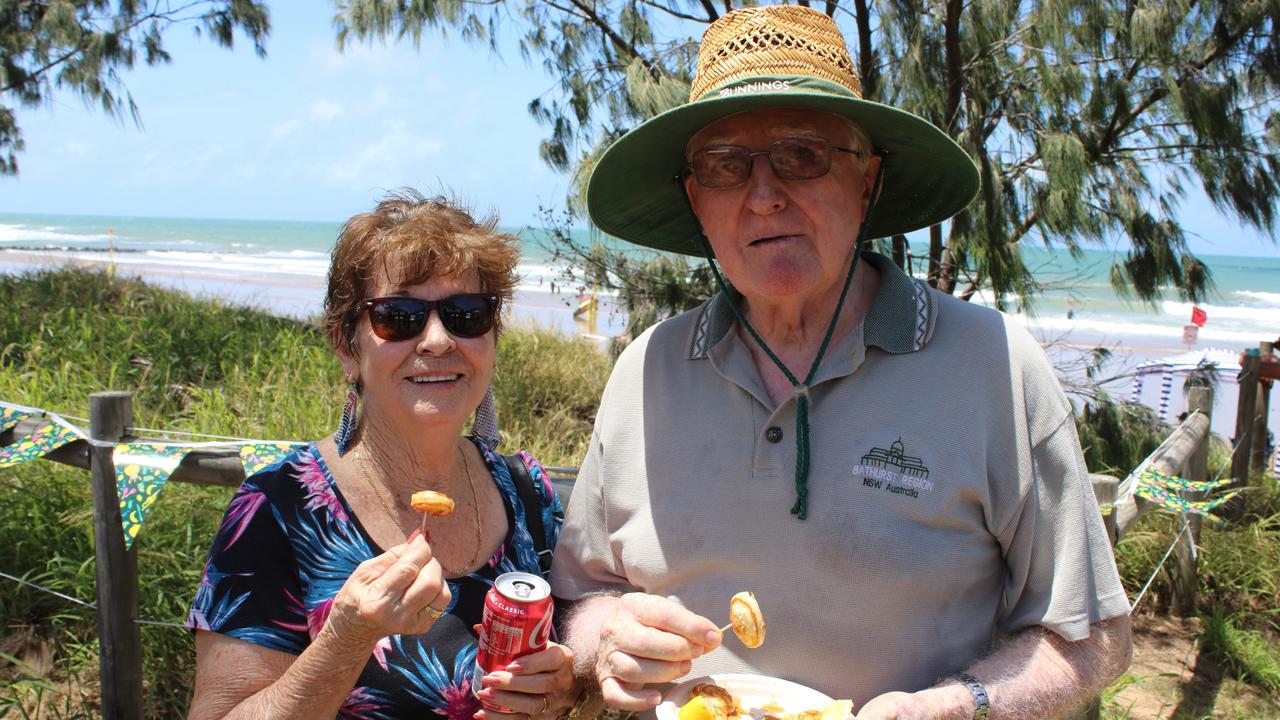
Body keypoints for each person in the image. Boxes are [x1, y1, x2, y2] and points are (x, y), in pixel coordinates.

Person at [549, 6, 1132, 720]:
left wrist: (965, 706)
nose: (764, 195)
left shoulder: (993, 366)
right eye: (726, 166)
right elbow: (578, 598)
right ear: (698, 202)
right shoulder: (645, 371)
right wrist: (602, 636)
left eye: (803, 154)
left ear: (869, 183)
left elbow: (1091, 634)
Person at [187, 190, 580, 719]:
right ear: (347, 347)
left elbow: (579, 678)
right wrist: (346, 638)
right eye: (400, 316)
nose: (438, 340)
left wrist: (569, 688)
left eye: (467, 314)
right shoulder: (278, 509)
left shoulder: (528, 491)